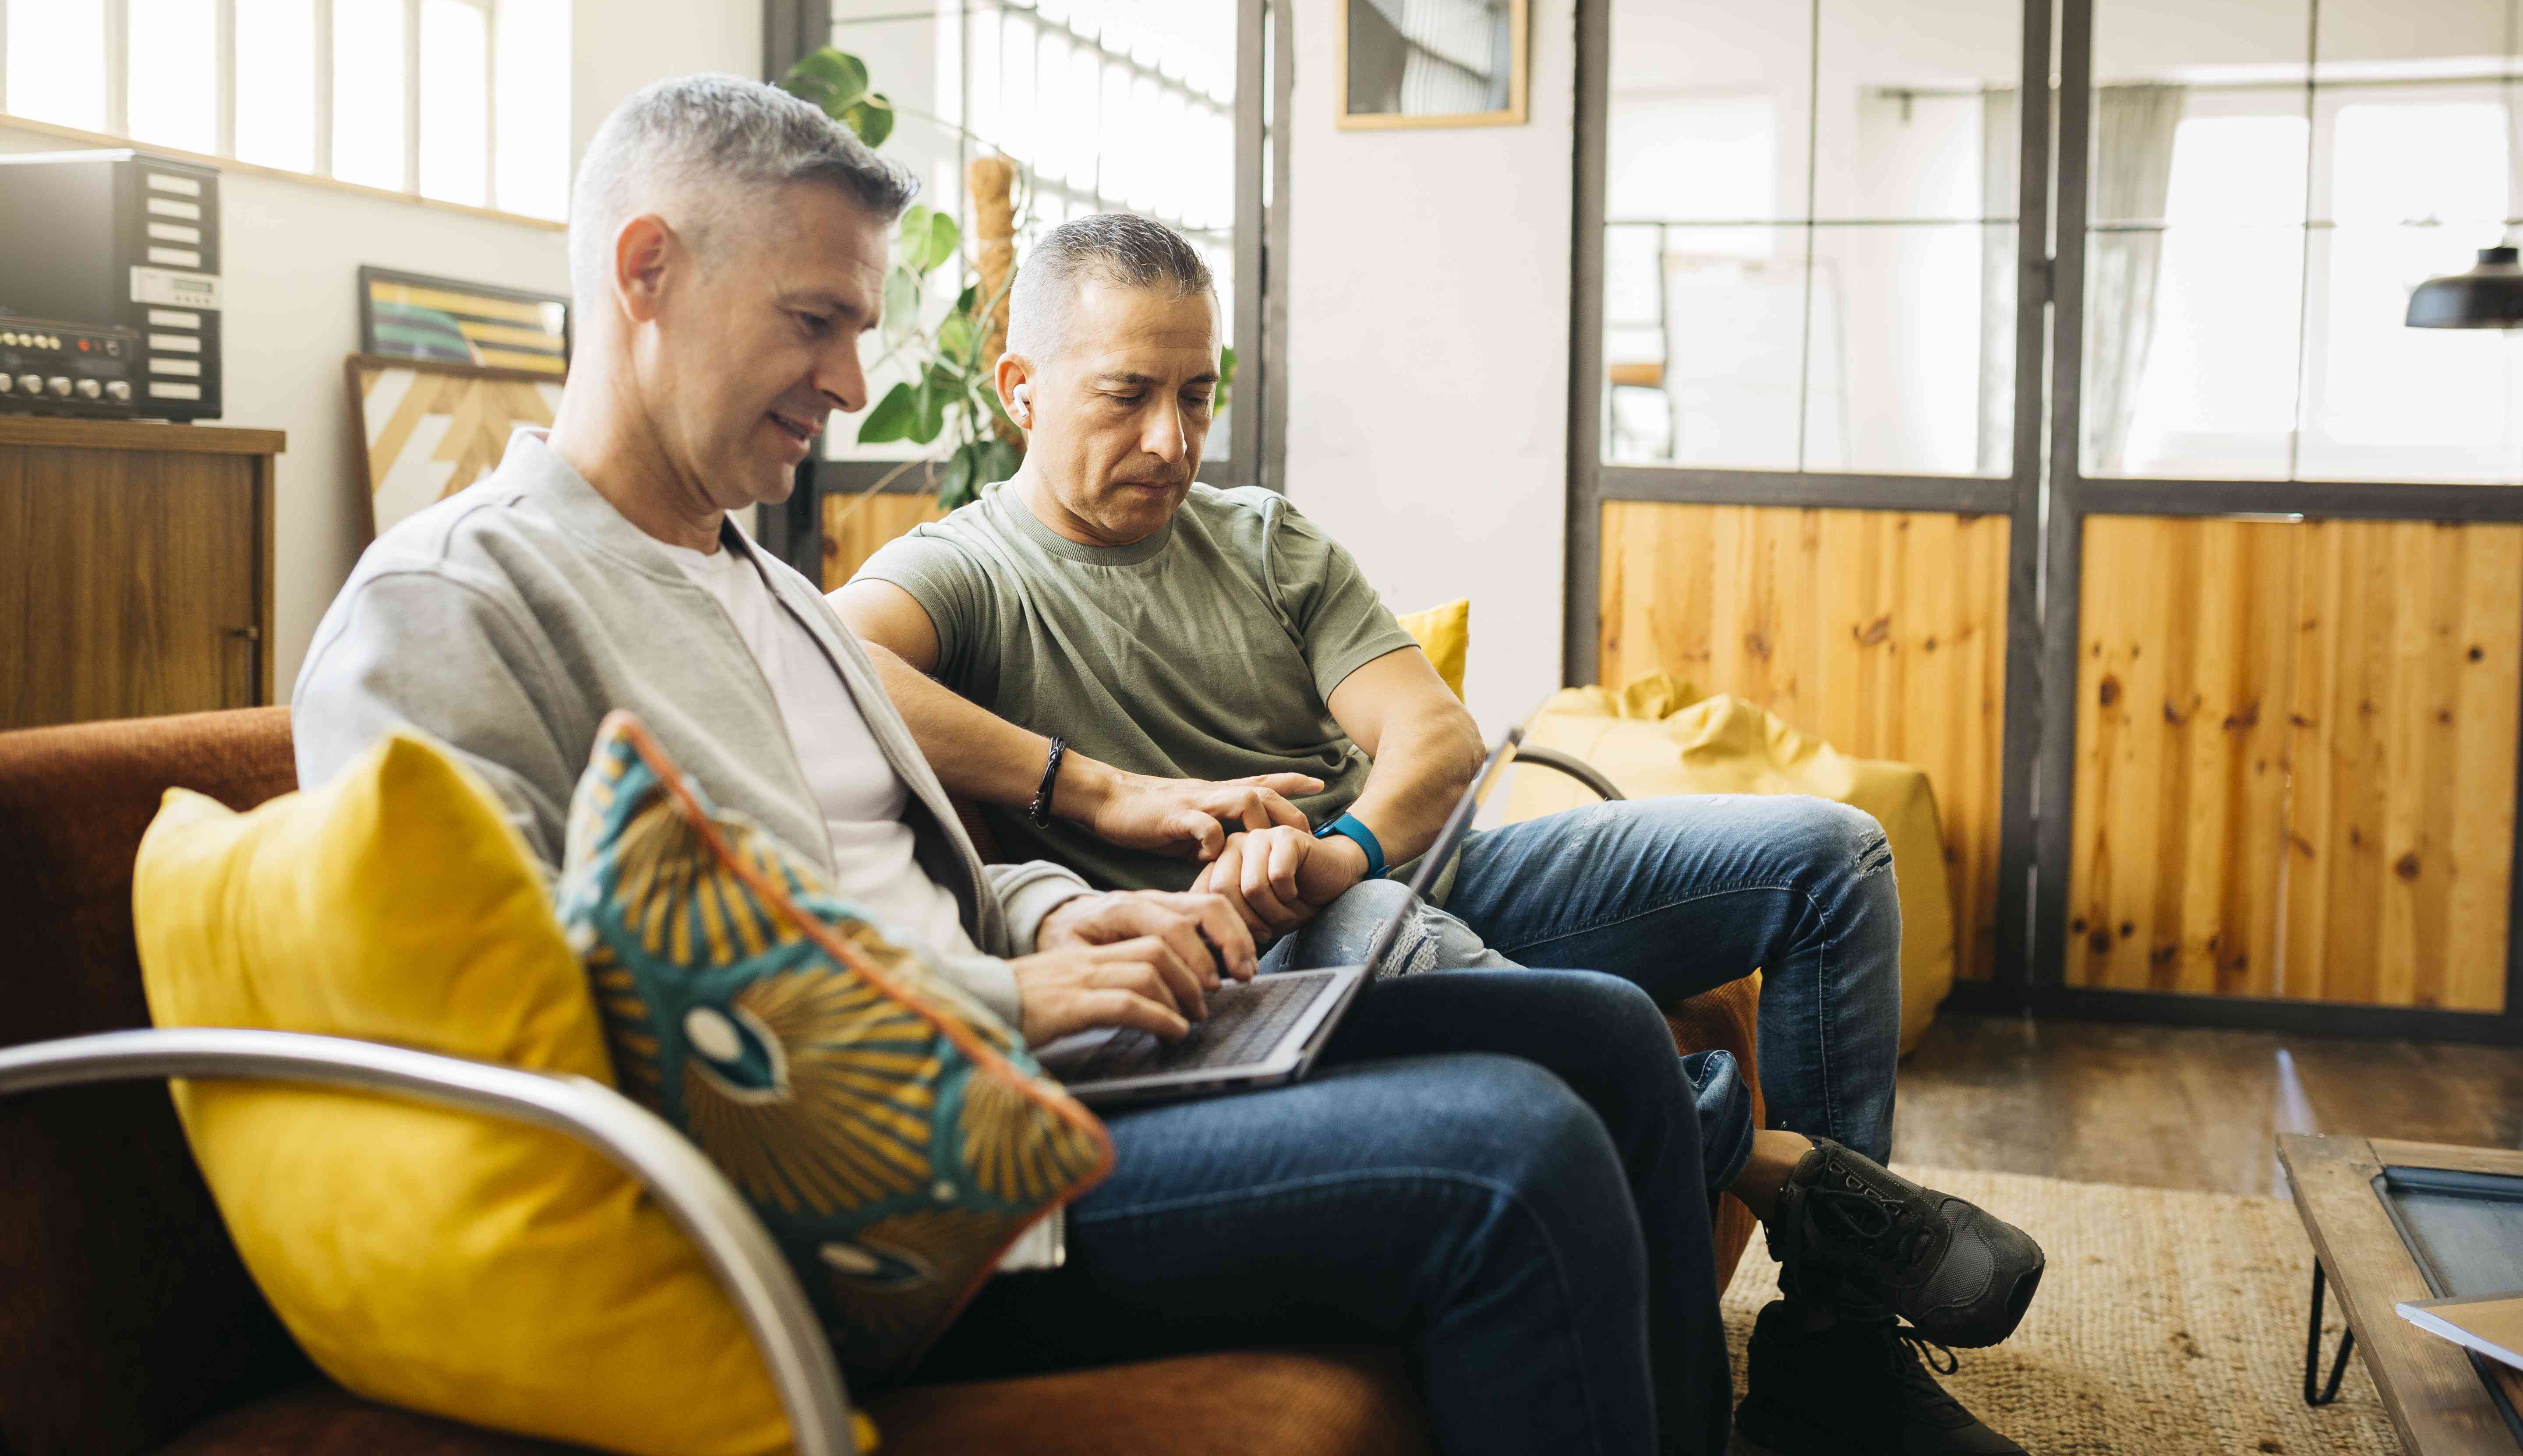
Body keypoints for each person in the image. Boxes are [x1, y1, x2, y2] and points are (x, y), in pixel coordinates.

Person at [293, 74, 1737, 1456]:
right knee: (1514, 1159)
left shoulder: (766, 582)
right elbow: (546, 1017)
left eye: (859, 329)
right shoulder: (460, 602)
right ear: (647, 270)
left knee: (1606, 1039)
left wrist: (1060, 917)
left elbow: (887, 868)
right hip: (895, 1180)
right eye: (815, 322)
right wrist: (1004, 998)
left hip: (1033, 1051)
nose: (852, 385)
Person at [837, 212, 2048, 1456]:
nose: (1172, 440)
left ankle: (1832, 1356)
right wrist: (1095, 792)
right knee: (1366, 928)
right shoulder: (967, 571)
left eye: (1197, 396)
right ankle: (1771, 1164)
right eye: (1127, 396)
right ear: (1020, 391)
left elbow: (1435, 740)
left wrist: (1340, 848)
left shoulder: (1262, 537)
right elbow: (826, 657)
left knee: (1828, 857)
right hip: (1275, 953)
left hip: (1405, 863)